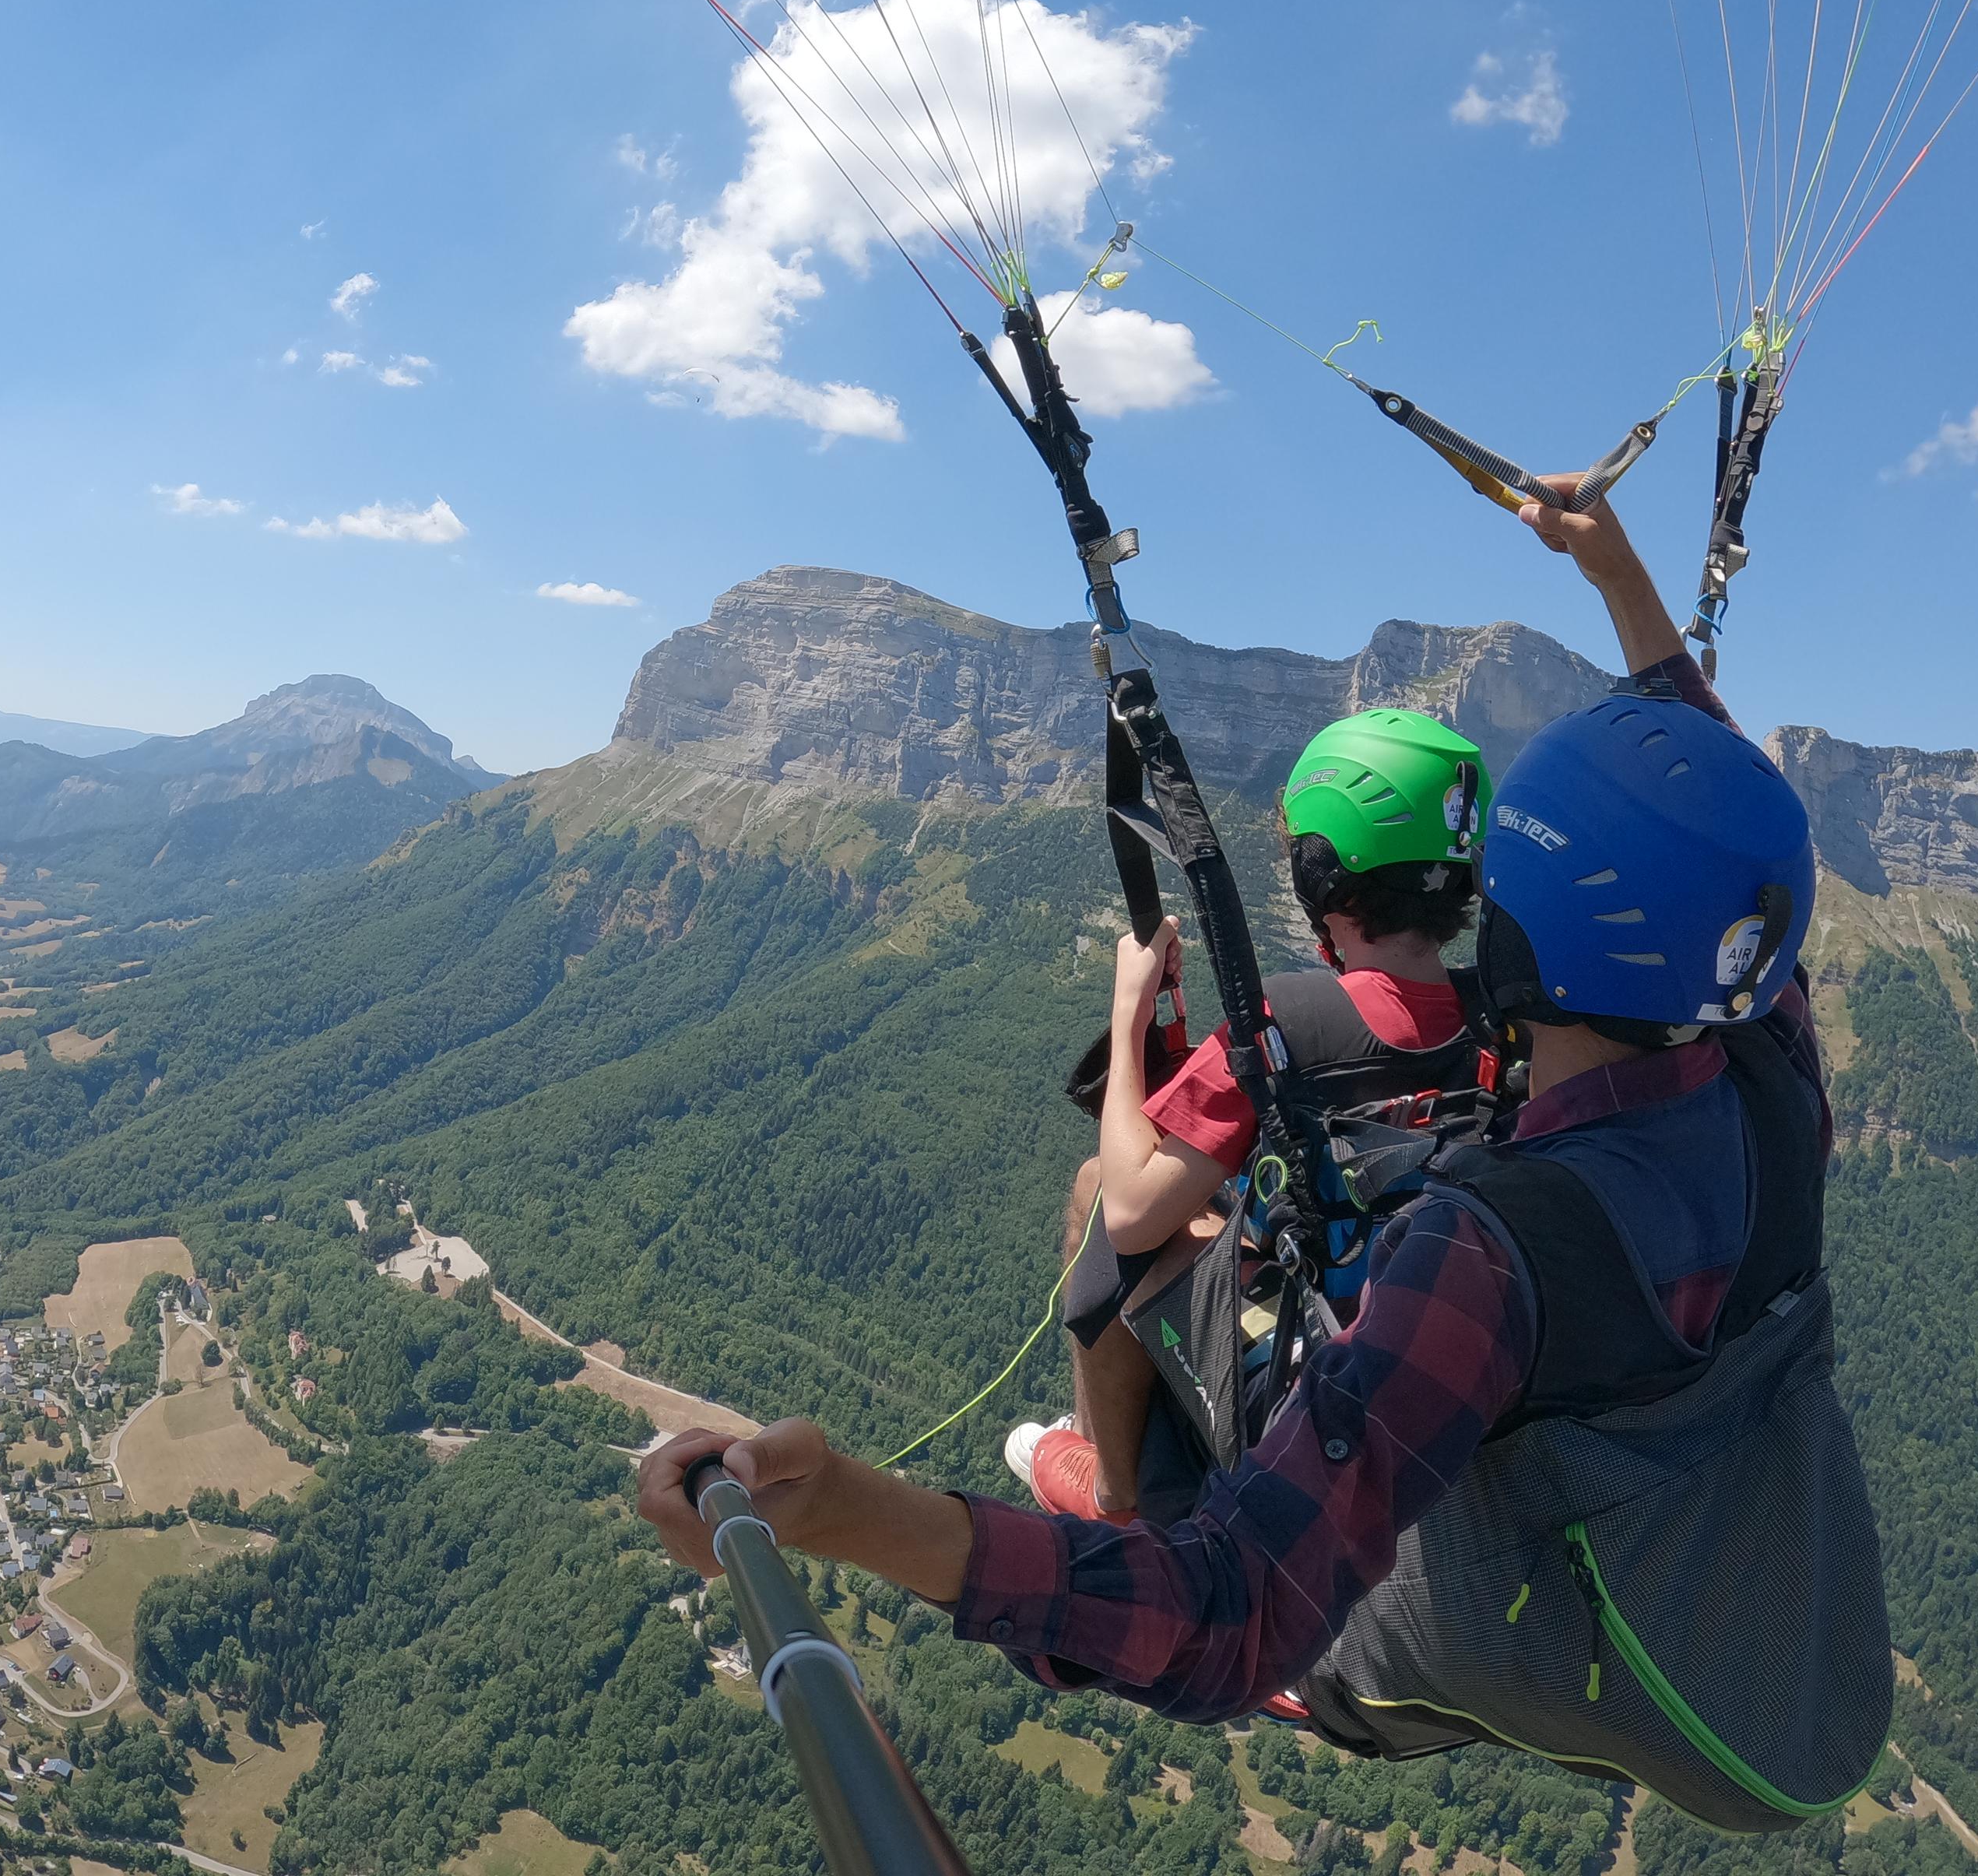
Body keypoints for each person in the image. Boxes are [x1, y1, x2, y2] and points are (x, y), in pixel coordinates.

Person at [637, 479, 1836, 1736]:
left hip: (1481, 1589)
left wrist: (841, 1507)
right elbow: (1736, 836)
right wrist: (1622, 581)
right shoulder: (1772, 1077)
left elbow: (1226, 1613)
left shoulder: (1487, 1263)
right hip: (1738, 1578)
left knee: (1111, 1212)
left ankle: (1110, 1479)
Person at [1009, 708, 1490, 1526]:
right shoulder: (1496, 1016)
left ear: (1320, 869)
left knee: (1098, 1188)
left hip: (1316, 1369)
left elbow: (1130, 1215)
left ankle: (1114, 1490)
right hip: (1436, 1346)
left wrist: (1130, 1020)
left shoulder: (1287, 1023)